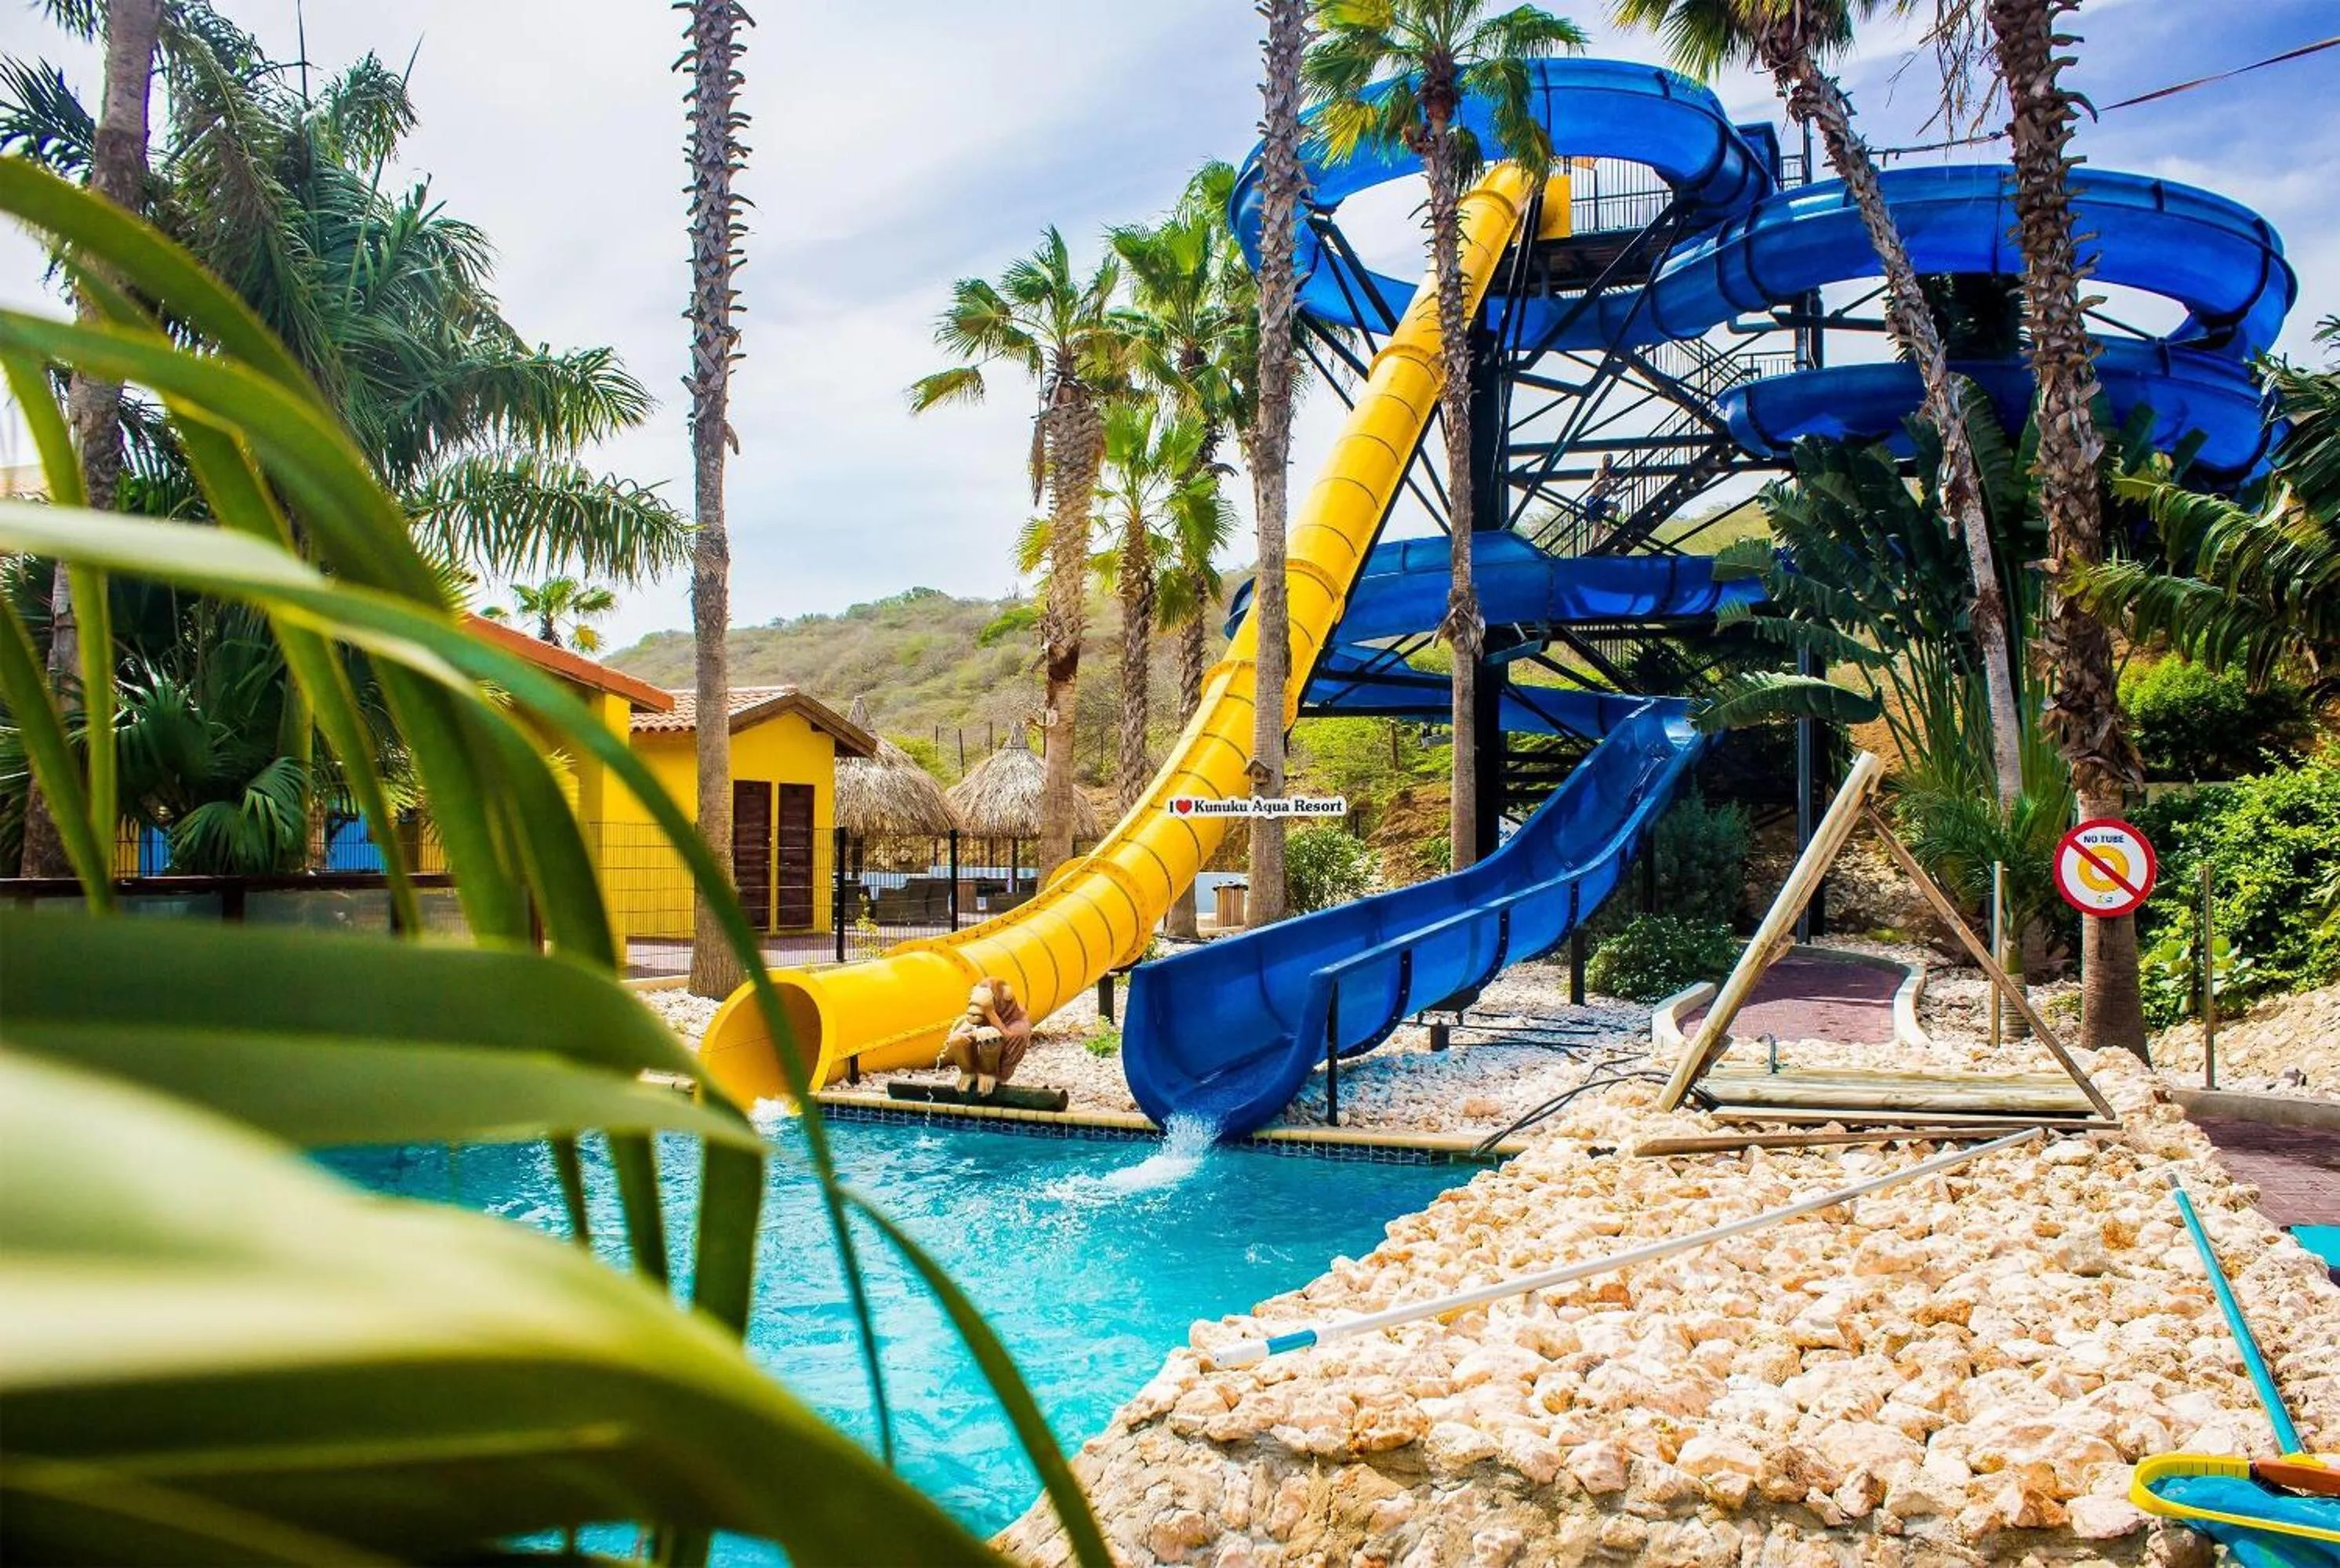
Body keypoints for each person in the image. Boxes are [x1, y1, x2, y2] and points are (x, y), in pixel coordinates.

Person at [938, 977, 1031, 1097]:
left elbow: (1014, 1041)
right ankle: (968, 1072)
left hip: (999, 1067)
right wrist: (958, 1037)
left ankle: (989, 1074)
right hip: (976, 1061)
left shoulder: (1018, 1021)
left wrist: (990, 1012)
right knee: (957, 1040)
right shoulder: (981, 1013)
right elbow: (966, 1026)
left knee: (989, 1035)